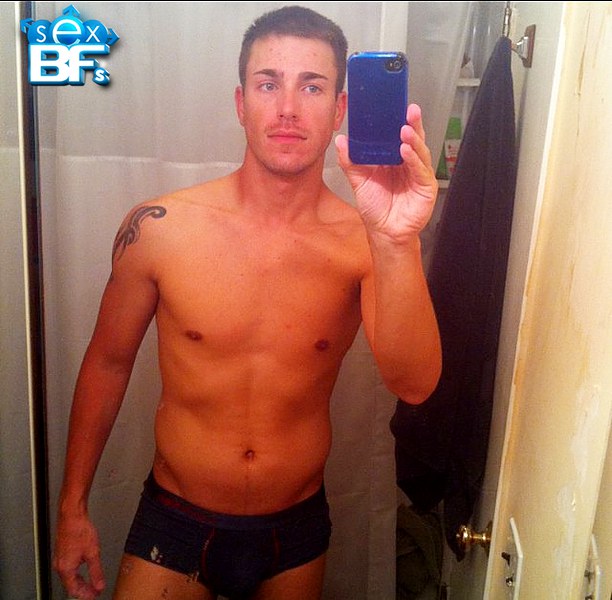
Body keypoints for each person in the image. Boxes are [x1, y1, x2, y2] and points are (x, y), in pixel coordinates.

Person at [52, 5, 442, 600]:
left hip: (295, 530)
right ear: (241, 103)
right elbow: (107, 364)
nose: (287, 108)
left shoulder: (365, 242)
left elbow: (413, 385)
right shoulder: (160, 229)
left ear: (340, 108)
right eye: (268, 84)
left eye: (311, 86)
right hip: (175, 521)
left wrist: (398, 241)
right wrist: (72, 508)